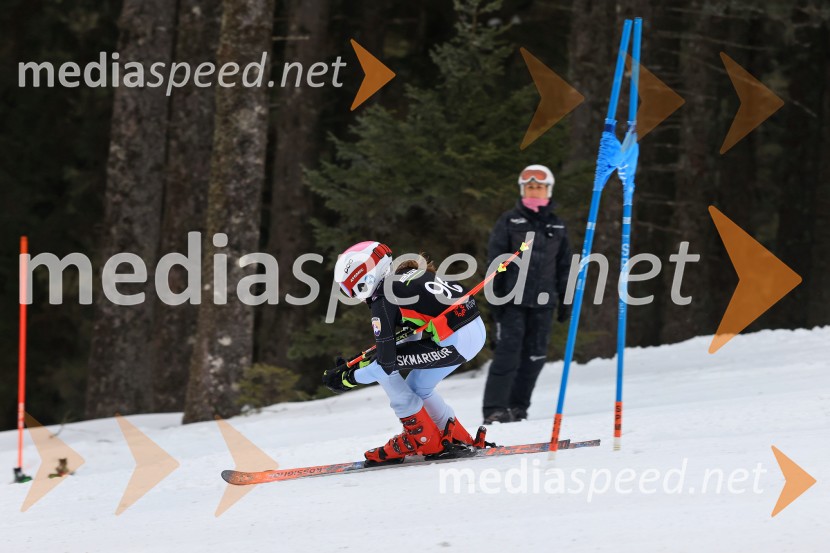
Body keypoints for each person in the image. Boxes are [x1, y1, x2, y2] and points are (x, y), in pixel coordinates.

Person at [323, 241, 489, 465]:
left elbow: (386, 364)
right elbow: (410, 337)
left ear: (363, 279)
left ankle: (423, 439)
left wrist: (348, 379)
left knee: (385, 370)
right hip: (471, 331)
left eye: (349, 290)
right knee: (417, 386)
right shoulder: (405, 276)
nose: (354, 296)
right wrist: (362, 365)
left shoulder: (382, 299)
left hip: (458, 341)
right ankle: (456, 437)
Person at [482, 164, 572, 424]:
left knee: (535, 356)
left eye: (539, 187)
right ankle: (495, 409)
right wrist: (495, 298)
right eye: (530, 187)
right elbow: (495, 261)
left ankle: (518, 407)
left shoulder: (557, 225)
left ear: (548, 190)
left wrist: (566, 298)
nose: (535, 191)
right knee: (508, 354)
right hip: (512, 301)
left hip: (544, 302)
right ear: (523, 190)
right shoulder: (509, 221)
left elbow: (565, 265)